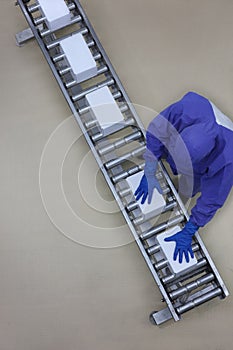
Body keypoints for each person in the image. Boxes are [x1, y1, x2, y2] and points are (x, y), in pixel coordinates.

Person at [135, 91, 233, 263]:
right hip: (188, 126)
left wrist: (189, 230)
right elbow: (158, 129)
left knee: (191, 186)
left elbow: (213, 198)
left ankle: (186, 184)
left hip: (208, 160)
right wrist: (150, 169)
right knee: (162, 149)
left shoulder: (227, 160)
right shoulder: (187, 109)